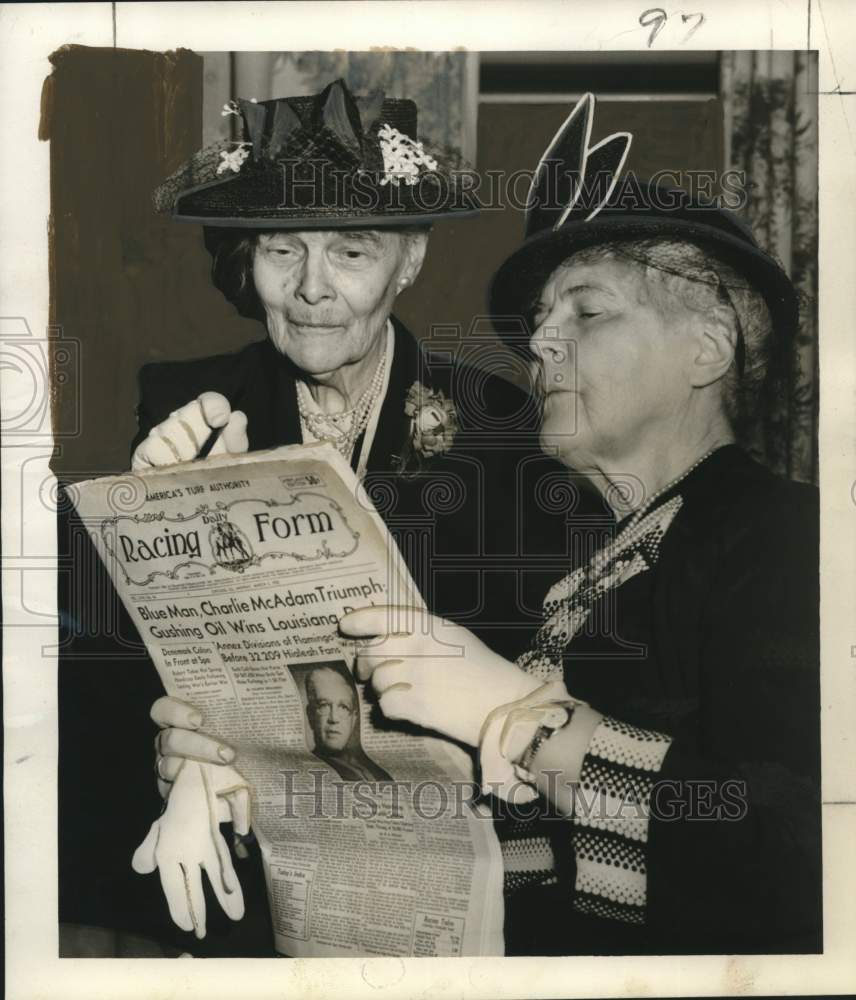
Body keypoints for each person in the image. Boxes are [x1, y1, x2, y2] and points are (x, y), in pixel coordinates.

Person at [58, 79, 565, 956]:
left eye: (352, 253)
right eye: (282, 251)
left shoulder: (494, 418)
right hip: (256, 855)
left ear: (408, 263)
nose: (311, 290)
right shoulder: (188, 401)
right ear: (247, 263)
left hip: (439, 849)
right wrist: (149, 520)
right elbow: (103, 650)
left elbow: (528, 654)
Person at [339, 93, 821, 956]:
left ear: (707, 350)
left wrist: (521, 717)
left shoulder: (788, 538)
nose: (541, 347)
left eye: (587, 313)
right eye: (540, 325)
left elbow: (795, 847)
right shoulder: (579, 566)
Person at [303, 664, 392, 782]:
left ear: (354, 718)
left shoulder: (373, 767)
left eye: (344, 707)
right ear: (310, 715)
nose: (333, 718)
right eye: (323, 705)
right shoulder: (306, 771)